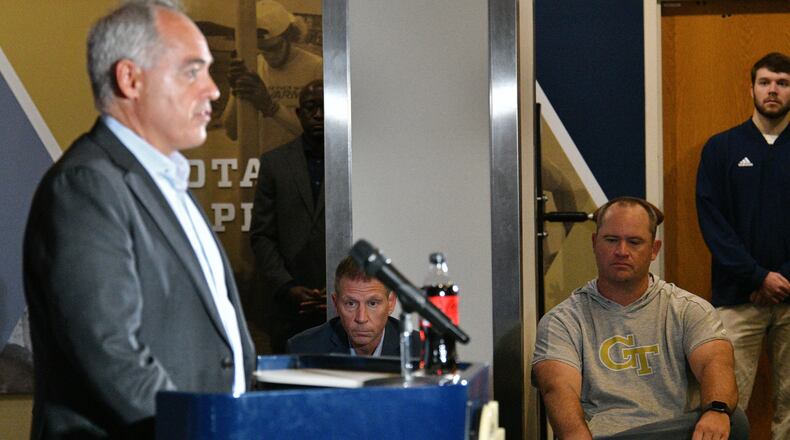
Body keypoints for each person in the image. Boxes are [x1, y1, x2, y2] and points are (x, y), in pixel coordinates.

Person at [22, 2, 255, 438]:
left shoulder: (167, 181)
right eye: (192, 71)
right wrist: (199, 432)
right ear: (130, 79)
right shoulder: (86, 186)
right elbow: (110, 353)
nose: (213, 90)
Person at [532, 197, 747, 439]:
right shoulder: (562, 321)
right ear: (594, 243)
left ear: (654, 250)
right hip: (607, 436)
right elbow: (558, 389)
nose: (621, 251)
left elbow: (715, 362)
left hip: (674, 431)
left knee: (733, 419)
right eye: (611, 240)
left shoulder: (688, 309)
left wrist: (717, 410)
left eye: (634, 242)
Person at [696, 51, 790, 439]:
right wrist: (757, 276)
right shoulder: (721, 148)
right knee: (727, 402)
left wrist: (783, 278)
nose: (773, 90)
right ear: (750, 87)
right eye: (765, 82)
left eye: (782, 83)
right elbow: (713, 222)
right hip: (738, 297)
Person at [249, 79, 326, 353]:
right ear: (298, 113)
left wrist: (341, 291)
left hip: (344, 306)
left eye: (324, 107)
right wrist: (287, 287)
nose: (318, 114)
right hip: (288, 306)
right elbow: (262, 235)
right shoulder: (275, 163)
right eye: (310, 107)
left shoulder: (349, 160)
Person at [222, 0, 323, 154]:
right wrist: (236, 91)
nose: (269, 57)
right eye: (262, 50)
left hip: (303, 166)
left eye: (274, 48)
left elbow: (321, 135)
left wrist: (270, 107)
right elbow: (231, 132)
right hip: (265, 166)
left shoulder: (316, 67)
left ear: (290, 36)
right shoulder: (253, 66)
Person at [286, 256, 402, 356]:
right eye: (351, 304)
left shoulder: (417, 350)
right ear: (336, 303)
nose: (361, 318)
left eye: (372, 303)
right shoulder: (304, 350)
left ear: (391, 303)